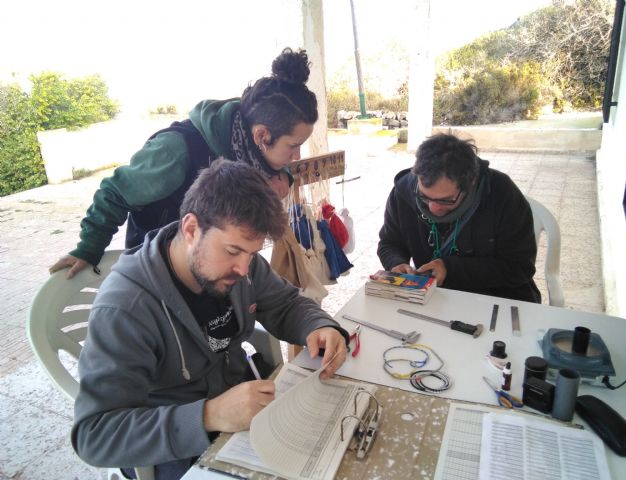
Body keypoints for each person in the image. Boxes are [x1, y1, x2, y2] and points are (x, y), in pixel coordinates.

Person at [71, 160, 348, 479]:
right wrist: (208, 415)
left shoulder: (242, 264)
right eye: (233, 251)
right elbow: (95, 436)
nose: (244, 269)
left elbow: (285, 303)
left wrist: (320, 326)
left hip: (242, 410)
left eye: (252, 252)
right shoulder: (125, 308)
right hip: (173, 443)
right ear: (190, 229)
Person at [50, 47, 318, 279]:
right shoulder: (176, 151)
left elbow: (271, 163)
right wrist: (89, 248)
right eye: (293, 146)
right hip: (159, 273)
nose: (296, 157)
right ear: (262, 135)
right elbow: (115, 193)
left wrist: (283, 177)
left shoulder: (251, 142)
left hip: (213, 271)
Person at [377, 133, 541, 303]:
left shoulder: (501, 193)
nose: (433, 208)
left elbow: (520, 267)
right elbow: (389, 243)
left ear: (470, 183)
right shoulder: (403, 192)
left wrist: (450, 269)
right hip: (434, 297)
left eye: (446, 200)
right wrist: (396, 263)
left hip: (498, 298)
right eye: (425, 197)